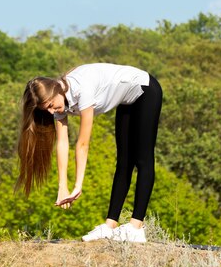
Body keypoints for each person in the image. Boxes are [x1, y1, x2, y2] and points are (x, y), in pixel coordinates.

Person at [16, 63, 163, 243]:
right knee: (124, 162)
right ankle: (110, 226)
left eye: (51, 105)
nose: (51, 111)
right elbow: (62, 143)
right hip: (126, 100)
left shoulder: (82, 89)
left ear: (56, 89)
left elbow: (83, 143)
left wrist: (78, 185)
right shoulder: (59, 101)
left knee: (142, 159)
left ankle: (136, 227)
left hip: (145, 90)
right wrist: (63, 186)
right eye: (46, 109)